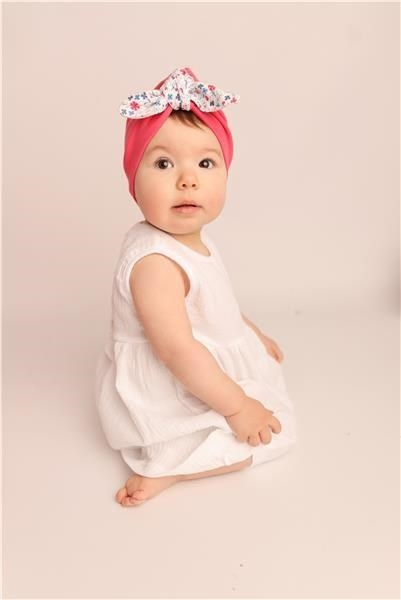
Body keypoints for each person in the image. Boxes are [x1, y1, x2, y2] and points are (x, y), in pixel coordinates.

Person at [94, 66, 297, 507]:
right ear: (132, 181)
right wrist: (237, 407)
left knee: (267, 411)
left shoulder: (188, 238)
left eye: (205, 163)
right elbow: (176, 351)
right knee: (275, 433)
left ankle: (191, 449)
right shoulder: (155, 264)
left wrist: (247, 330)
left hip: (199, 364)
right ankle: (176, 466)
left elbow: (210, 301)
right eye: (163, 163)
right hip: (171, 386)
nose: (187, 179)